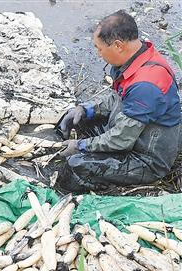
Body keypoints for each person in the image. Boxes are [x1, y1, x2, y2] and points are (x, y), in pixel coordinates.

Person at [56, 10, 180, 192]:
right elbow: (117, 99)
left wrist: (80, 146)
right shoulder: (136, 59)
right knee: (78, 120)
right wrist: (85, 109)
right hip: (132, 134)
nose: (98, 54)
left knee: (75, 165)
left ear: (118, 46)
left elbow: (122, 140)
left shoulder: (146, 85)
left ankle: (103, 188)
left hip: (145, 159)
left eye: (99, 49)